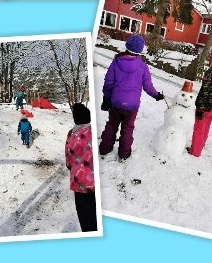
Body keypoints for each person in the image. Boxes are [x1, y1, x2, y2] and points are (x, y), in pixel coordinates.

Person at [99, 34, 164, 160]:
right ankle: (124, 153)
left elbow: (108, 83)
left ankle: (104, 148)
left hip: (115, 103)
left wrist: (106, 99)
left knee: (112, 125)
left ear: (127, 46)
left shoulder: (116, 62)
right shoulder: (142, 66)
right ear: (140, 50)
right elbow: (148, 86)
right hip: (132, 106)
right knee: (127, 129)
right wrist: (156, 95)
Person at [65, 103, 97, 232]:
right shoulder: (93, 131)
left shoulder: (72, 134)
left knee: (86, 219)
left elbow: (68, 160)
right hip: (95, 182)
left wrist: (73, 169)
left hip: (79, 183)